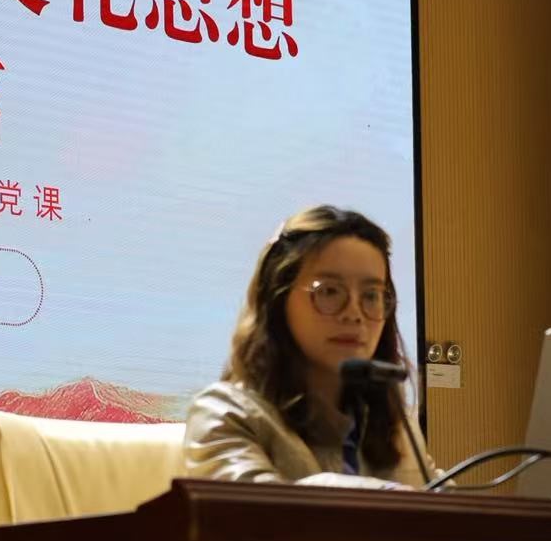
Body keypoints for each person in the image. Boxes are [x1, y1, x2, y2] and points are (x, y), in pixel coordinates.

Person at [183, 205, 434, 488]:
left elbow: (446, 505)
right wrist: (391, 495)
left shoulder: (398, 428)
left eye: (371, 295)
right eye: (329, 291)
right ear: (277, 300)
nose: (354, 313)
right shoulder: (225, 412)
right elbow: (252, 507)